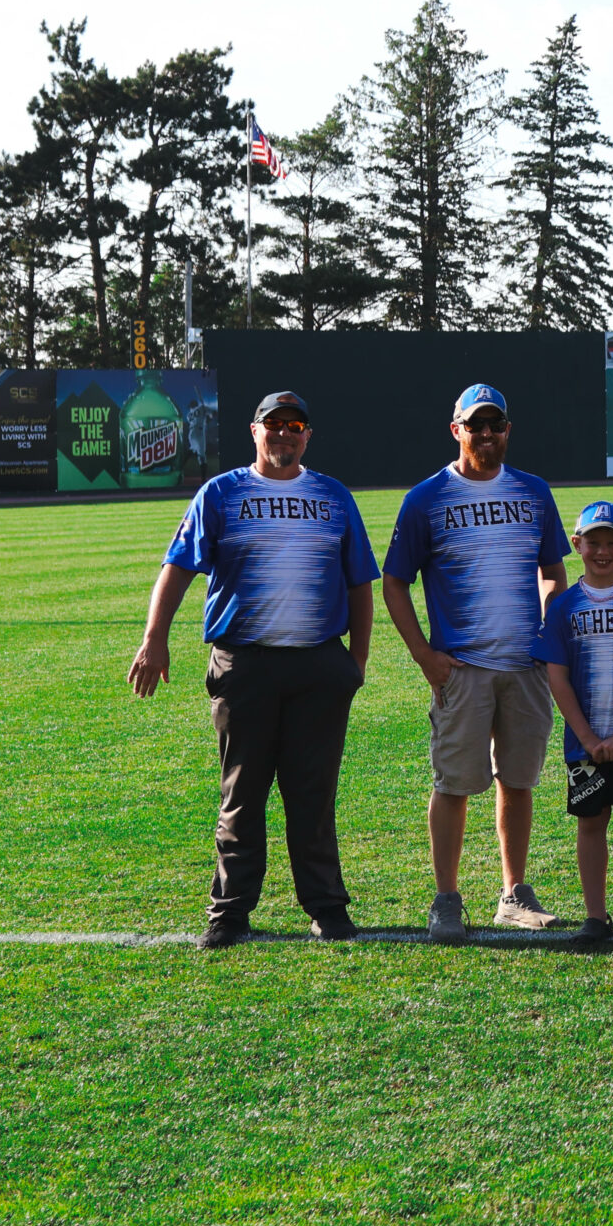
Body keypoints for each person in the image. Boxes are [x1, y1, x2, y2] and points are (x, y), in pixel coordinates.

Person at [130, 390, 376, 948]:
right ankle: (230, 913)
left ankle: (327, 908)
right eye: (274, 424)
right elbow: (177, 568)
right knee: (241, 796)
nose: (284, 433)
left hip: (318, 665)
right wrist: (154, 640)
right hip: (244, 665)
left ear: (307, 436)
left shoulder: (333, 496)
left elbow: (360, 580)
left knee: (313, 797)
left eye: (295, 425)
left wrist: (355, 662)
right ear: (254, 431)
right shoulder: (221, 493)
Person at [381, 384, 571, 944]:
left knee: (519, 780)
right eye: (475, 425)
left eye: (496, 425)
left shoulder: (534, 492)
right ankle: (446, 898)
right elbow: (394, 582)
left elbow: (552, 570)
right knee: (454, 784)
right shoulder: (426, 498)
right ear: (456, 430)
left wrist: (549, 631)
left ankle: (514, 894)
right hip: (461, 668)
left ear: (507, 430)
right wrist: (424, 656)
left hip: (525, 667)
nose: (486, 434)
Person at [534, 501, 613, 944]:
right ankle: (595, 915)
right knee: (590, 822)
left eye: (612, 542)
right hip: (583, 743)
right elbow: (557, 676)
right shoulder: (563, 607)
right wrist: (588, 737)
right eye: (594, 542)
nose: (603, 551)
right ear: (577, 544)